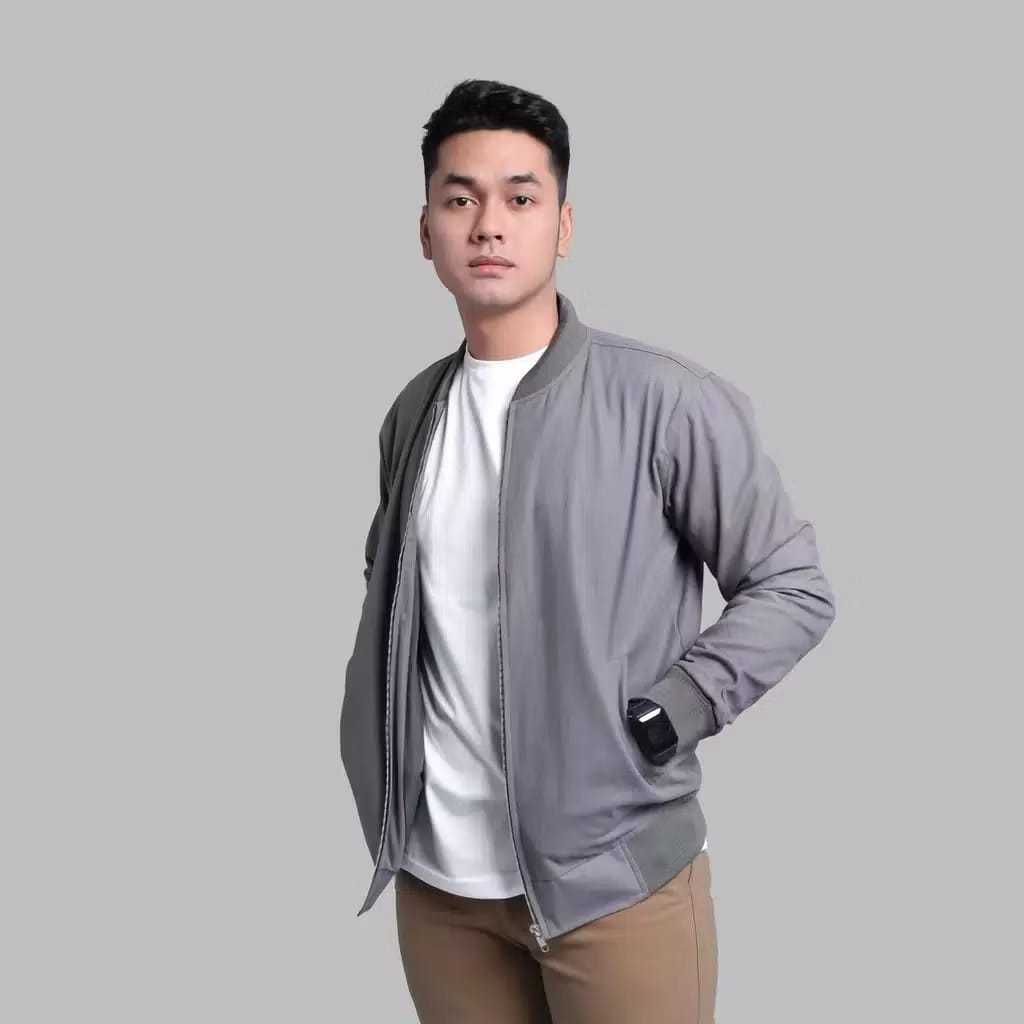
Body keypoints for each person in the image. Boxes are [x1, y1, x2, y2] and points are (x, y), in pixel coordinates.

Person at [339, 78, 837, 1024]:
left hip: (614, 887)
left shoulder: (663, 401)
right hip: (440, 891)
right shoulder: (414, 412)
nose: (489, 224)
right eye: (460, 199)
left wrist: (672, 710)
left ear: (563, 226)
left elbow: (792, 585)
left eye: (520, 198)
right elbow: (395, 597)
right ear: (426, 232)